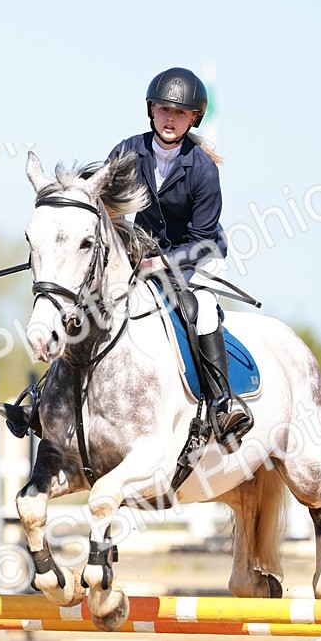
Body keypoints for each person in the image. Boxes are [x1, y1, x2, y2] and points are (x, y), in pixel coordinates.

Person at [110, 66, 253, 445]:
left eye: (180, 113)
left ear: (194, 118)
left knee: (199, 309)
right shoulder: (127, 151)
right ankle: (44, 400)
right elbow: (103, 204)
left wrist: (162, 263)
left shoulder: (203, 168)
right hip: (142, 253)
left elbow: (203, 236)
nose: (170, 119)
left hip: (198, 255)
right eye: (164, 110)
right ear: (151, 111)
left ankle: (223, 404)